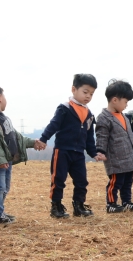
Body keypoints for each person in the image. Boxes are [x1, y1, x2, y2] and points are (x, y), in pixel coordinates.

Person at [37, 74, 105, 219]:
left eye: (91, 94)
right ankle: (56, 206)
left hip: (79, 153)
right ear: (74, 89)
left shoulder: (89, 114)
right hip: (62, 150)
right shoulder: (65, 108)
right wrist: (43, 139)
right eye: (85, 92)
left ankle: (79, 205)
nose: (88, 96)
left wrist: (94, 153)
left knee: (82, 180)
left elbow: (89, 137)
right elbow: (53, 125)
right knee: (58, 179)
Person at [0, 85, 42, 224]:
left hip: (7, 160)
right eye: (4, 96)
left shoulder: (4, 118)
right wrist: (0, 160)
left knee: (4, 188)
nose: (5, 99)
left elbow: (17, 137)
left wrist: (33, 142)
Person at [94, 80, 133, 213]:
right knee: (116, 182)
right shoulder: (104, 118)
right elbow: (102, 137)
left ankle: (127, 202)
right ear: (115, 100)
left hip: (128, 157)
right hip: (115, 158)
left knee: (127, 182)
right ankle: (111, 203)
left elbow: (129, 135)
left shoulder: (124, 117)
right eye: (125, 101)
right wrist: (100, 151)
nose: (126, 105)